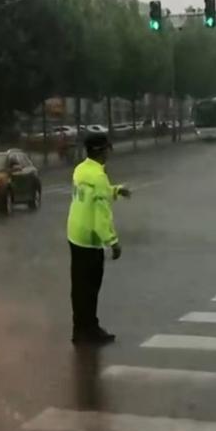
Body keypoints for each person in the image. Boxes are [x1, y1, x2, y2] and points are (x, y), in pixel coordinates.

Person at [67, 133, 131, 345]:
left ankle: (79, 328)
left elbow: (94, 196)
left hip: (75, 234)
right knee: (91, 288)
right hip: (89, 238)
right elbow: (100, 215)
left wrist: (116, 191)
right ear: (101, 151)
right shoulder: (98, 176)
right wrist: (112, 242)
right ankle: (90, 329)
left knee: (79, 287)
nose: (109, 154)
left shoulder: (81, 170)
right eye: (107, 150)